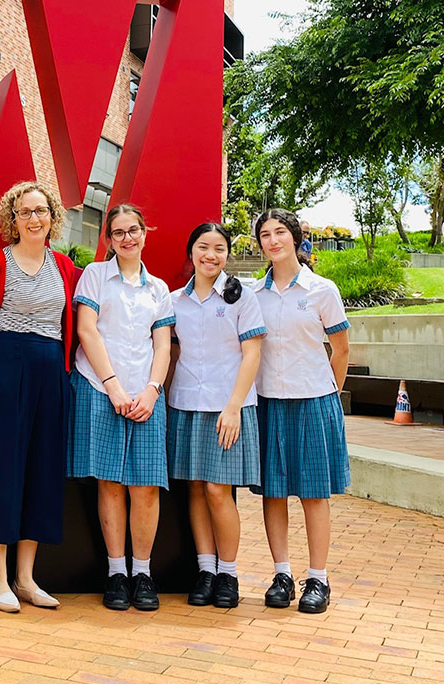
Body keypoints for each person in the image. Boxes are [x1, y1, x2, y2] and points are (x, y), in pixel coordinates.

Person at [0, 181, 78, 613]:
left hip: (50, 367)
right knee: (2, 466)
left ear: (53, 216)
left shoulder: (66, 267)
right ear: (11, 220)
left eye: (41, 210)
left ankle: (26, 577)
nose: (34, 218)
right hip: (4, 365)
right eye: (25, 212)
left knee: (42, 468)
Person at [68, 204, 174, 612]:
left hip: (146, 394)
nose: (127, 238)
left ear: (146, 233)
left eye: (134, 230)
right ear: (108, 239)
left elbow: (163, 344)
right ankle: (116, 572)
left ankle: (142, 572)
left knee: (145, 487)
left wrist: (151, 390)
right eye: (118, 233)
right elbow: (85, 330)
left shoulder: (159, 289)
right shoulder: (95, 276)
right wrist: (112, 387)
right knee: (110, 482)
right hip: (100, 388)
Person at [252, 208, 351, 614]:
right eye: (265, 234)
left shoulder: (321, 290)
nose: (273, 240)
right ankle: (281, 574)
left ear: (295, 238)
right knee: (273, 493)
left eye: (280, 232)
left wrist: (331, 393)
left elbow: (341, 349)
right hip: (267, 401)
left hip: (313, 401)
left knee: (313, 494)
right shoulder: (252, 294)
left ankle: (318, 579)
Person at [167, 223, 265, 610]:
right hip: (187, 403)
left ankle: (229, 572)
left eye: (219, 248)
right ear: (191, 251)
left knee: (217, 491)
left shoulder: (242, 296)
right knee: (194, 487)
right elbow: (172, 353)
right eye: (204, 247)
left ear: (227, 254)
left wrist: (234, 406)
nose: (211, 255)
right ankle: (205, 570)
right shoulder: (176, 300)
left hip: (229, 407)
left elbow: (252, 353)